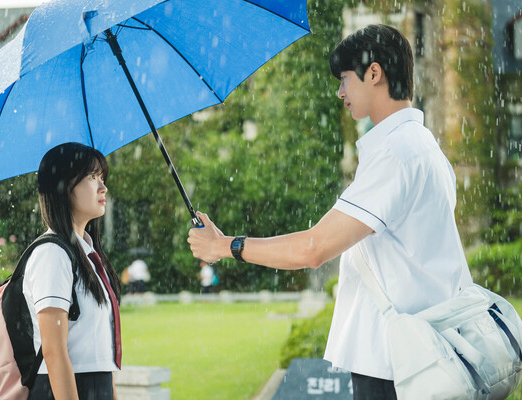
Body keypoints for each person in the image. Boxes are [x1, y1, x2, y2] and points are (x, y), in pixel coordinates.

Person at [188, 24, 471, 400]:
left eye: (345, 79)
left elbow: (312, 248)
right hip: (423, 356)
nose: (340, 93)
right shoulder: (425, 149)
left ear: (374, 73)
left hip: (395, 365)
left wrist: (226, 246)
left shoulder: (396, 154)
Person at [23, 142, 122, 400]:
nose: (103, 187)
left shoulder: (87, 254)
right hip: (63, 390)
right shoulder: (52, 254)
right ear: (64, 187)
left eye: (102, 177)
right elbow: (54, 352)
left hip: (93, 387)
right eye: (92, 177)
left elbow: (99, 353)